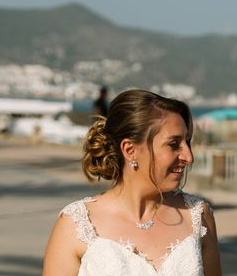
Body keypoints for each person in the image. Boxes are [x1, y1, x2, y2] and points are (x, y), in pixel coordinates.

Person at [43, 89, 222, 276]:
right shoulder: (76, 225)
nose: (189, 157)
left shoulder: (198, 216)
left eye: (187, 142)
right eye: (174, 144)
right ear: (130, 150)